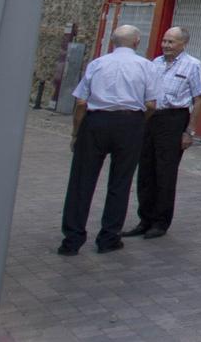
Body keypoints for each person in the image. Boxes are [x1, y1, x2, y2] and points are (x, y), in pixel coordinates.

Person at [60, 25, 156, 255]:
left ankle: (72, 240)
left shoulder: (98, 64)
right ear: (136, 43)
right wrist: (138, 121)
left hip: (96, 122)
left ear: (113, 43)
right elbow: (151, 104)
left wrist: (76, 132)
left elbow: (81, 102)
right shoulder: (146, 66)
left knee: (81, 181)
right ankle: (109, 237)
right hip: (130, 123)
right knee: (120, 182)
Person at [129, 25, 201, 238]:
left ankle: (160, 222)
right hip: (152, 117)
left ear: (183, 43)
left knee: (165, 172)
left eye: (171, 42)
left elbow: (198, 98)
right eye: (164, 41)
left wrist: (189, 131)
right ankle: (144, 218)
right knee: (146, 170)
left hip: (174, 119)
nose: (166, 45)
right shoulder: (155, 63)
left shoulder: (193, 65)